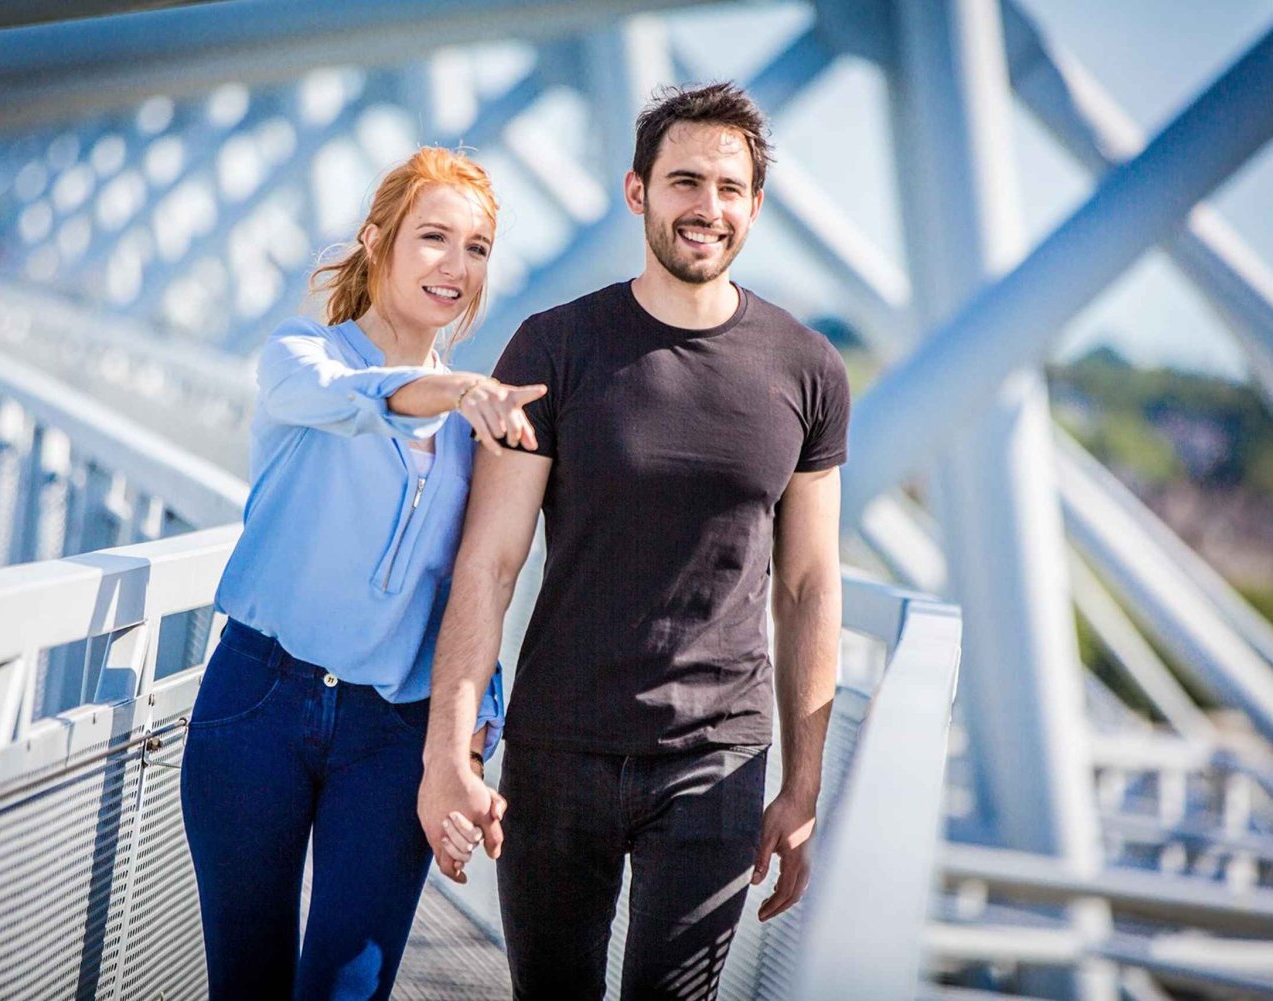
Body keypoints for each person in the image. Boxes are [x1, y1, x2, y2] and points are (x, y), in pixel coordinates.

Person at [416, 82, 851, 999]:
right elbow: (489, 564)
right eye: (685, 181)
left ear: (755, 205)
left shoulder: (808, 369)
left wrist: (803, 786)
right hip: (558, 748)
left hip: (717, 759)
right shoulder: (554, 346)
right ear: (637, 190)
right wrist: (449, 752)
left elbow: (810, 584)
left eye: (729, 188)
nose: (707, 207)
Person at [180, 146, 544, 1001]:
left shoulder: (476, 428)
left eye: (478, 248)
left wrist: (470, 742)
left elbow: (476, 586)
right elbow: (352, 400)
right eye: (434, 237)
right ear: (377, 241)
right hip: (257, 705)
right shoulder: (301, 354)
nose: (456, 265)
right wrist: (454, 391)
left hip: (391, 733)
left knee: (347, 989)